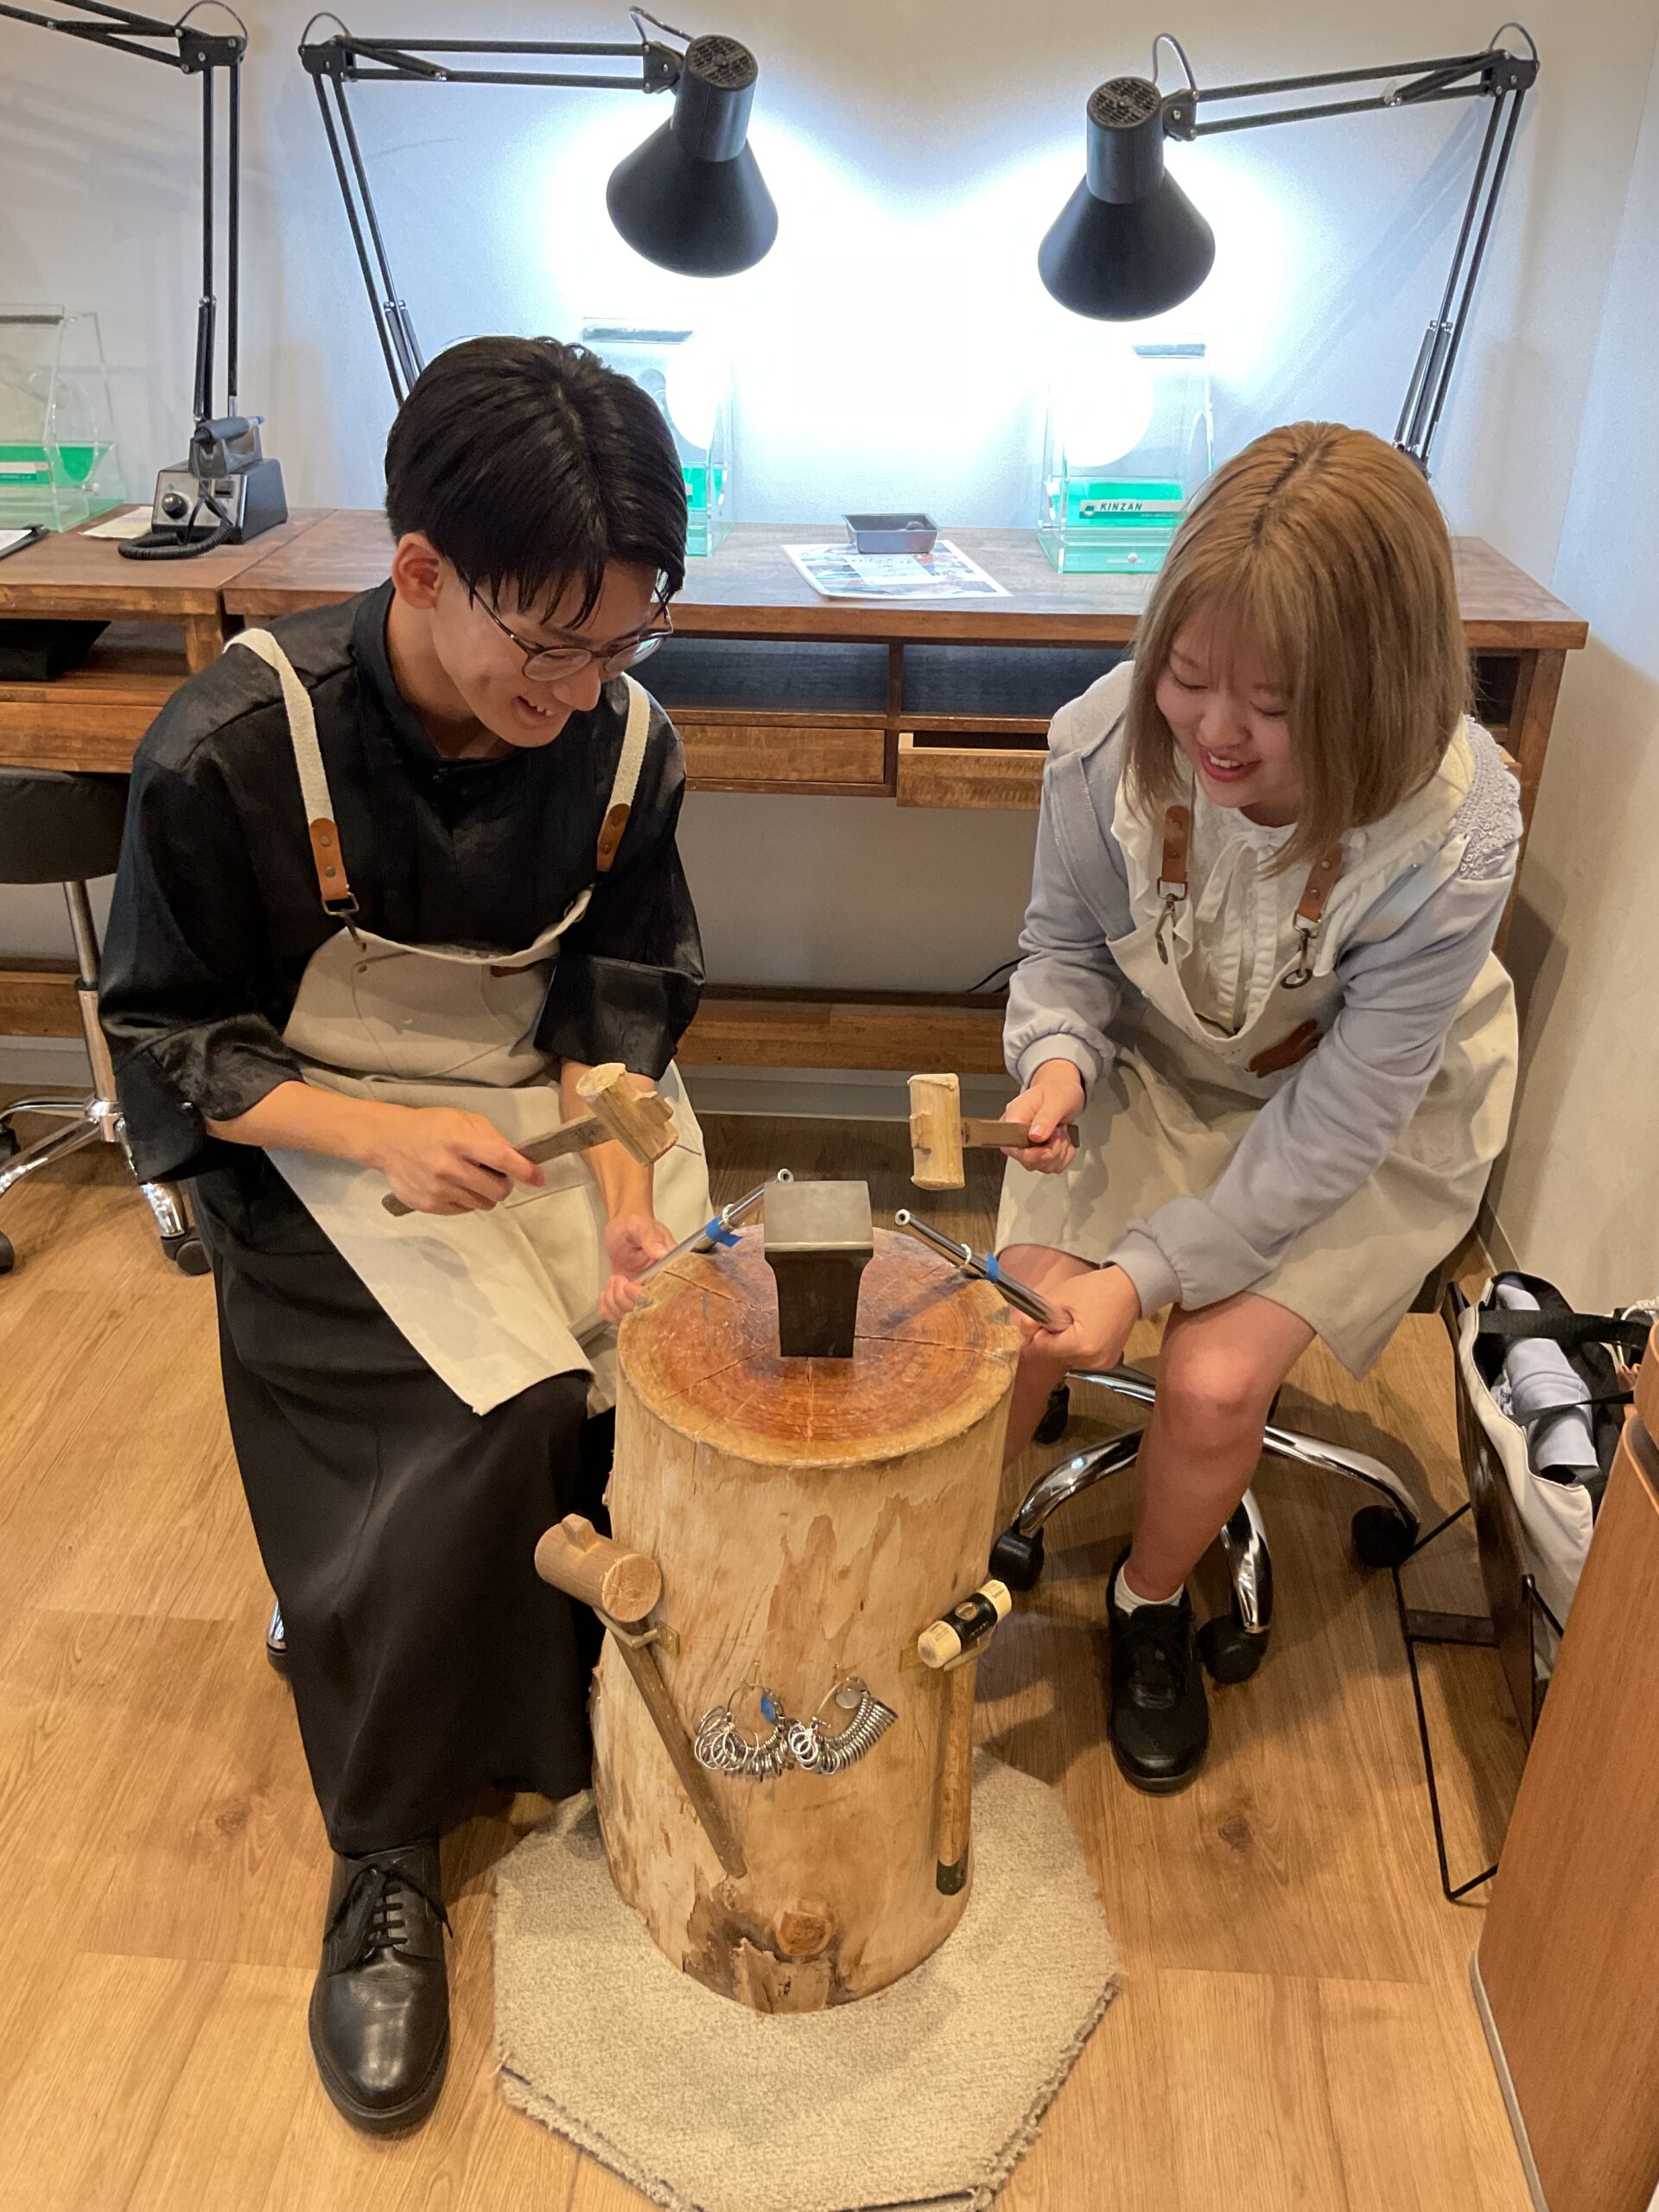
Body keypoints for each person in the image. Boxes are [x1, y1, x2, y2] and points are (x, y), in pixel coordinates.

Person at [99, 335, 712, 2133]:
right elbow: (167, 1036)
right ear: (423, 566)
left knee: (662, 1360)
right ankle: (384, 1836)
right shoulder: (239, 740)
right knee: (483, 1413)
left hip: (549, 1109)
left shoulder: (625, 739)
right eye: (550, 645)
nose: (581, 691)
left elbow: (615, 999)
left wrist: (623, 1191)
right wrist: (374, 1131)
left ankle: (573, 1694)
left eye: (623, 645)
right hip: (316, 1127)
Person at [995, 422, 1519, 1796]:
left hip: (1363, 1114)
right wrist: (1058, 1062)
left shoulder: (1457, 829)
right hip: (1163, 1059)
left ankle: (1151, 1602)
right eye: (1187, 677)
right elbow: (1061, 951)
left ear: (1377, 690)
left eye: (1274, 707)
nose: (1217, 732)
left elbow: (1339, 1124)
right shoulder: (1101, 746)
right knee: (1008, 1321)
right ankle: (933, 1565)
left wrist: (1144, 1273)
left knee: (1214, 1383)